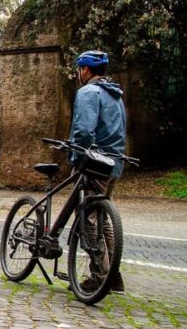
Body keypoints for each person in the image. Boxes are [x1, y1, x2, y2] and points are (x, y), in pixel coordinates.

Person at [70, 50, 127, 293]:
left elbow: (83, 131)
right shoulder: (115, 94)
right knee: (104, 219)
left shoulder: (88, 93)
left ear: (84, 70)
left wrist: (78, 157)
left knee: (88, 219)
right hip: (114, 163)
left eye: (79, 69)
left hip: (95, 163)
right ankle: (114, 276)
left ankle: (100, 275)